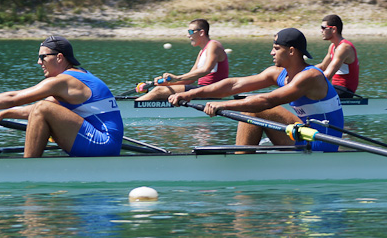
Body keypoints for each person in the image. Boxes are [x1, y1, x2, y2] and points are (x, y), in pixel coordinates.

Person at [168, 28, 344, 152]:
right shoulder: (277, 73)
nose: (271, 53)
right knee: (251, 104)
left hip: (323, 143)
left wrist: (222, 105)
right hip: (303, 134)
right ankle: (244, 155)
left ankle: (242, 161)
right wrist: (190, 94)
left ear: (291, 51)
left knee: (254, 109)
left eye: (276, 49)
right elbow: (233, 85)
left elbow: (267, 101)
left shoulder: (310, 76)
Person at [0, 35, 123, 158]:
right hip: (104, 143)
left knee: (42, 107)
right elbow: (34, 112)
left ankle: (29, 167)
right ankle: (33, 164)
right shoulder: (78, 76)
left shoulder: (63, 81)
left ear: (59, 57)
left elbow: (14, 97)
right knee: (42, 108)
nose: (39, 62)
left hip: (103, 144)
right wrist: (4, 114)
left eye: (43, 57)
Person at [136, 18, 229, 101]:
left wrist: (176, 78)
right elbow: (189, 80)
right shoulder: (202, 52)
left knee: (159, 91)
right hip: (202, 89)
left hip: (212, 91)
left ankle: (132, 109)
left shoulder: (213, 45)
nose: (188, 35)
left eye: (190, 32)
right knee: (161, 90)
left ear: (201, 32)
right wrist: (166, 83)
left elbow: (206, 70)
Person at [317, 14, 359, 98]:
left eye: (323, 28)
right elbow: (323, 66)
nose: (321, 31)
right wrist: (301, 72)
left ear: (333, 29)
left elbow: (327, 75)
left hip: (345, 91)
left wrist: (303, 80)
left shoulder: (344, 48)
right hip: (336, 88)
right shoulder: (333, 46)